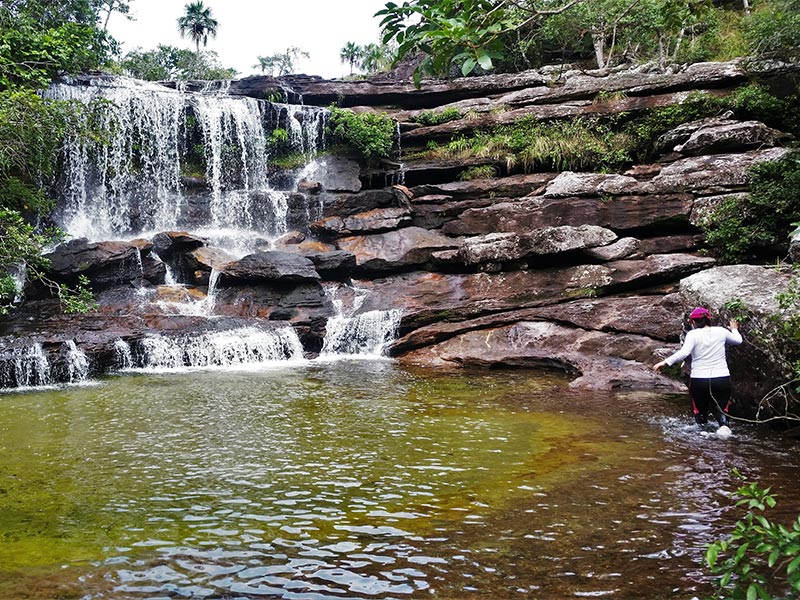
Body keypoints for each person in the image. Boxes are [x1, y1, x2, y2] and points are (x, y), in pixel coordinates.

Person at [653, 306, 742, 429]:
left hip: (699, 380)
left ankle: (702, 436)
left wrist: (665, 362)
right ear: (708, 319)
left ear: (693, 322)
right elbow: (738, 340)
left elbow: (684, 353)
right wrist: (734, 329)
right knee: (722, 410)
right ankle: (724, 432)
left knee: (700, 413)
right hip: (721, 378)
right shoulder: (721, 331)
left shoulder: (692, 334)